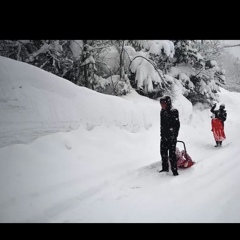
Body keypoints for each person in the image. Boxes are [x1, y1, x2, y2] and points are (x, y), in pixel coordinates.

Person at [159, 96, 180, 176]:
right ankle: (165, 168)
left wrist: (174, 135)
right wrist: (162, 134)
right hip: (164, 136)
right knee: (163, 152)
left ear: (168, 103)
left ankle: (174, 171)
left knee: (172, 154)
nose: (162, 105)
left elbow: (177, 125)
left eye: (164, 103)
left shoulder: (174, 111)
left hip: (172, 137)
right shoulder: (162, 111)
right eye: (161, 104)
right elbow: (162, 124)